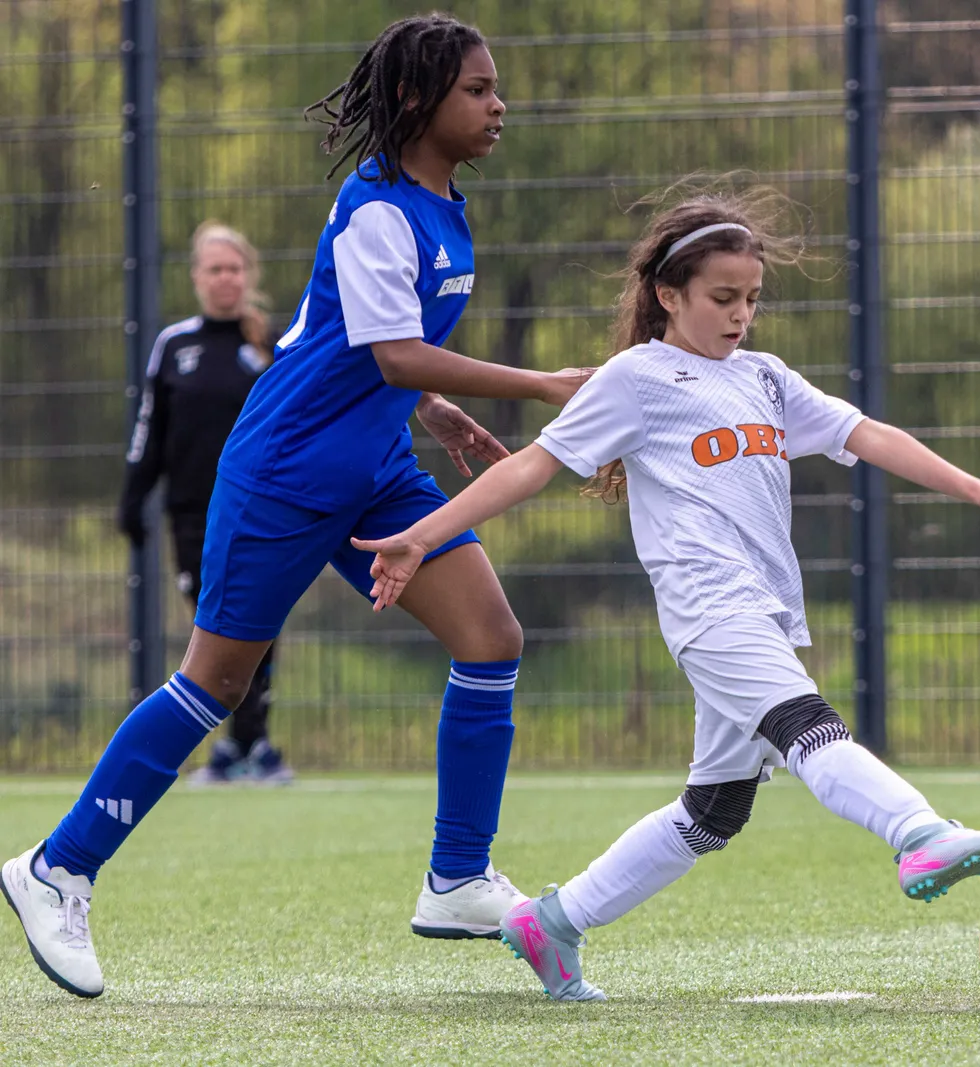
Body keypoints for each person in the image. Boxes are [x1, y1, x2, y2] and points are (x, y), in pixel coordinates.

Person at [350, 186, 980, 1001]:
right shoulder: (635, 378)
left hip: (763, 608)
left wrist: (973, 486)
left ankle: (551, 921)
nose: (740, 315)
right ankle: (920, 832)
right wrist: (424, 534)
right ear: (668, 293)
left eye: (751, 299)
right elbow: (531, 467)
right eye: (723, 297)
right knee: (806, 723)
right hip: (707, 606)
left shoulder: (765, 377)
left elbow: (863, 432)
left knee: (714, 808)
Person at [1, 13, 590, 999]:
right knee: (216, 682)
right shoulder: (377, 209)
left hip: (375, 467)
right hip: (285, 469)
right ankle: (57, 867)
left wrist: (432, 408)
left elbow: (338, 333)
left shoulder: (443, 205)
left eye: (495, 88)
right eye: (478, 90)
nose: (499, 106)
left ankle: (456, 875)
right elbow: (392, 352)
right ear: (416, 100)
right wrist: (536, 384)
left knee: (491, 637)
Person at [118, 220, 292, 785]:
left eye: (234, 269)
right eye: (215, 269)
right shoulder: (174, 345)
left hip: (265, 510)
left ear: (248, 275)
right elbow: (150, 428)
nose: (226, 279)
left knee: (261, 619)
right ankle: (239, 744)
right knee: (215, 623)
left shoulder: (274, 344)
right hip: (194, 515)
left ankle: (250, 745)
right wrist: (133, 497)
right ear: (197, 277)